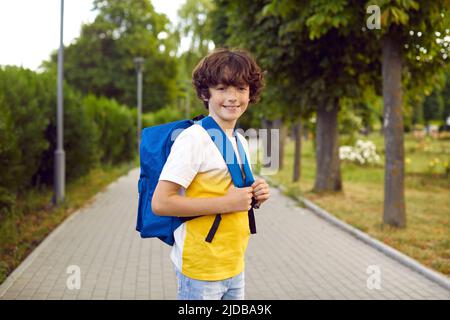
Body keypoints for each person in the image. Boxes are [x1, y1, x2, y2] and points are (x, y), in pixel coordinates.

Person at [152, 48, 270, 300]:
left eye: (241, 88)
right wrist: (227, 203)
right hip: (201, 269)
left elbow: (234, 193)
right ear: (206, 93)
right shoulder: (194, 139)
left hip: (234, 263)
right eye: (222, 88)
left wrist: (256, 194)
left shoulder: (239, 140)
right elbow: (161, 203)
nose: (233, 97)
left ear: (251, 93)